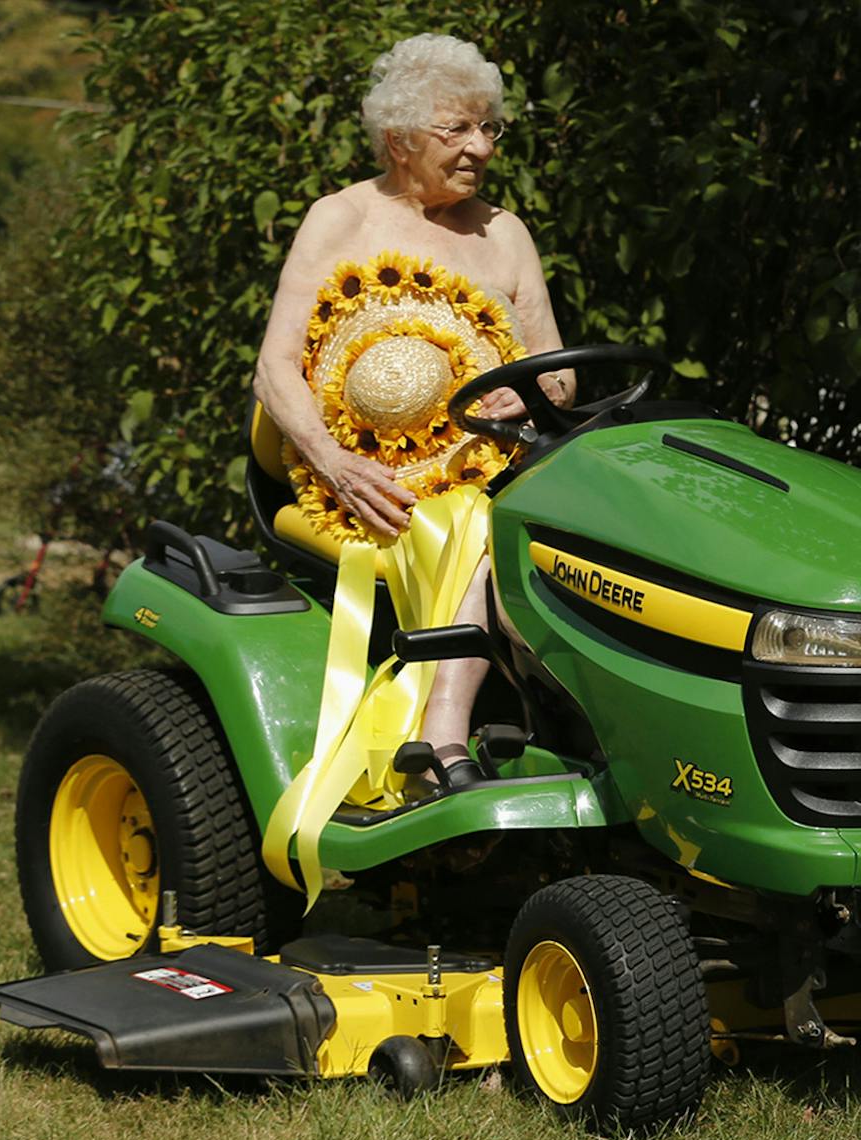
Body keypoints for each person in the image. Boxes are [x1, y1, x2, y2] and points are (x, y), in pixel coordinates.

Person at [249, 33, 571, 900]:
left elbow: (558, 363)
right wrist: (337, 460)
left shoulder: (506, 233)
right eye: (458, 129)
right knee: (477, 522)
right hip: (361, 482)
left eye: (491, 128)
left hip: (494, 465)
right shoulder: (342, 219)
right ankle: (444, 740)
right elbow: (274, 368)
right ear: (400, 141)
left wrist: (534, 392)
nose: (480, 149)